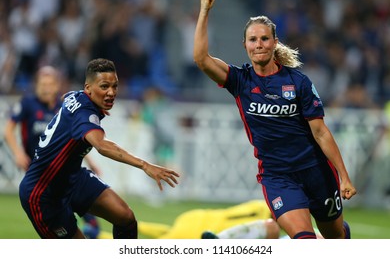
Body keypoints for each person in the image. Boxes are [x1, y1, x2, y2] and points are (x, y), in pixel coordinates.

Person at [193, 0, 356, 239]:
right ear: (245, 45)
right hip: (278, 177)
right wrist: (204, 10)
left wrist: (344, 177)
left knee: (335, 240)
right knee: (304, 240)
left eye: (264, 39)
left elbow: (321, 132)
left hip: (317, 172)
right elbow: (202, 59)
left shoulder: (298, 81)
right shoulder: (240, 81)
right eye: (253, 39)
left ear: (274, 42)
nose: (259, 44)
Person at [18, 58, 180, 239]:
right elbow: (102, 145)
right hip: (42, 193)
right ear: (89, 88)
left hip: (73, 178)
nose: (111, 93)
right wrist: (145, 165)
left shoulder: (76, 96)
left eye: (115, 86)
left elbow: (67, 97)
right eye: (104, 87)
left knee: (125, 217)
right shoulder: (84, 113)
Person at [3, 65, 108, 238]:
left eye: (50, 84)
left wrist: (91, 162)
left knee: (70, 193)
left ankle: (89, 228)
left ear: (57, 86)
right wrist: (18, 153)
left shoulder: (65, 107)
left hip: (62, 166)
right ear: (36, 86)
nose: (46, 88)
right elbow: (8, 130)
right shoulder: (27, 104)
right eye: (42, 84)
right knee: (54, 205)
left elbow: (77, 138)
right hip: (38, 169)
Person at [137, 200, 276, 239]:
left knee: (168, 233)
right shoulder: (265, 229)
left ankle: (136, 225)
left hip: (195, 216)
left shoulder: (260, 205)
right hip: (198, 234)